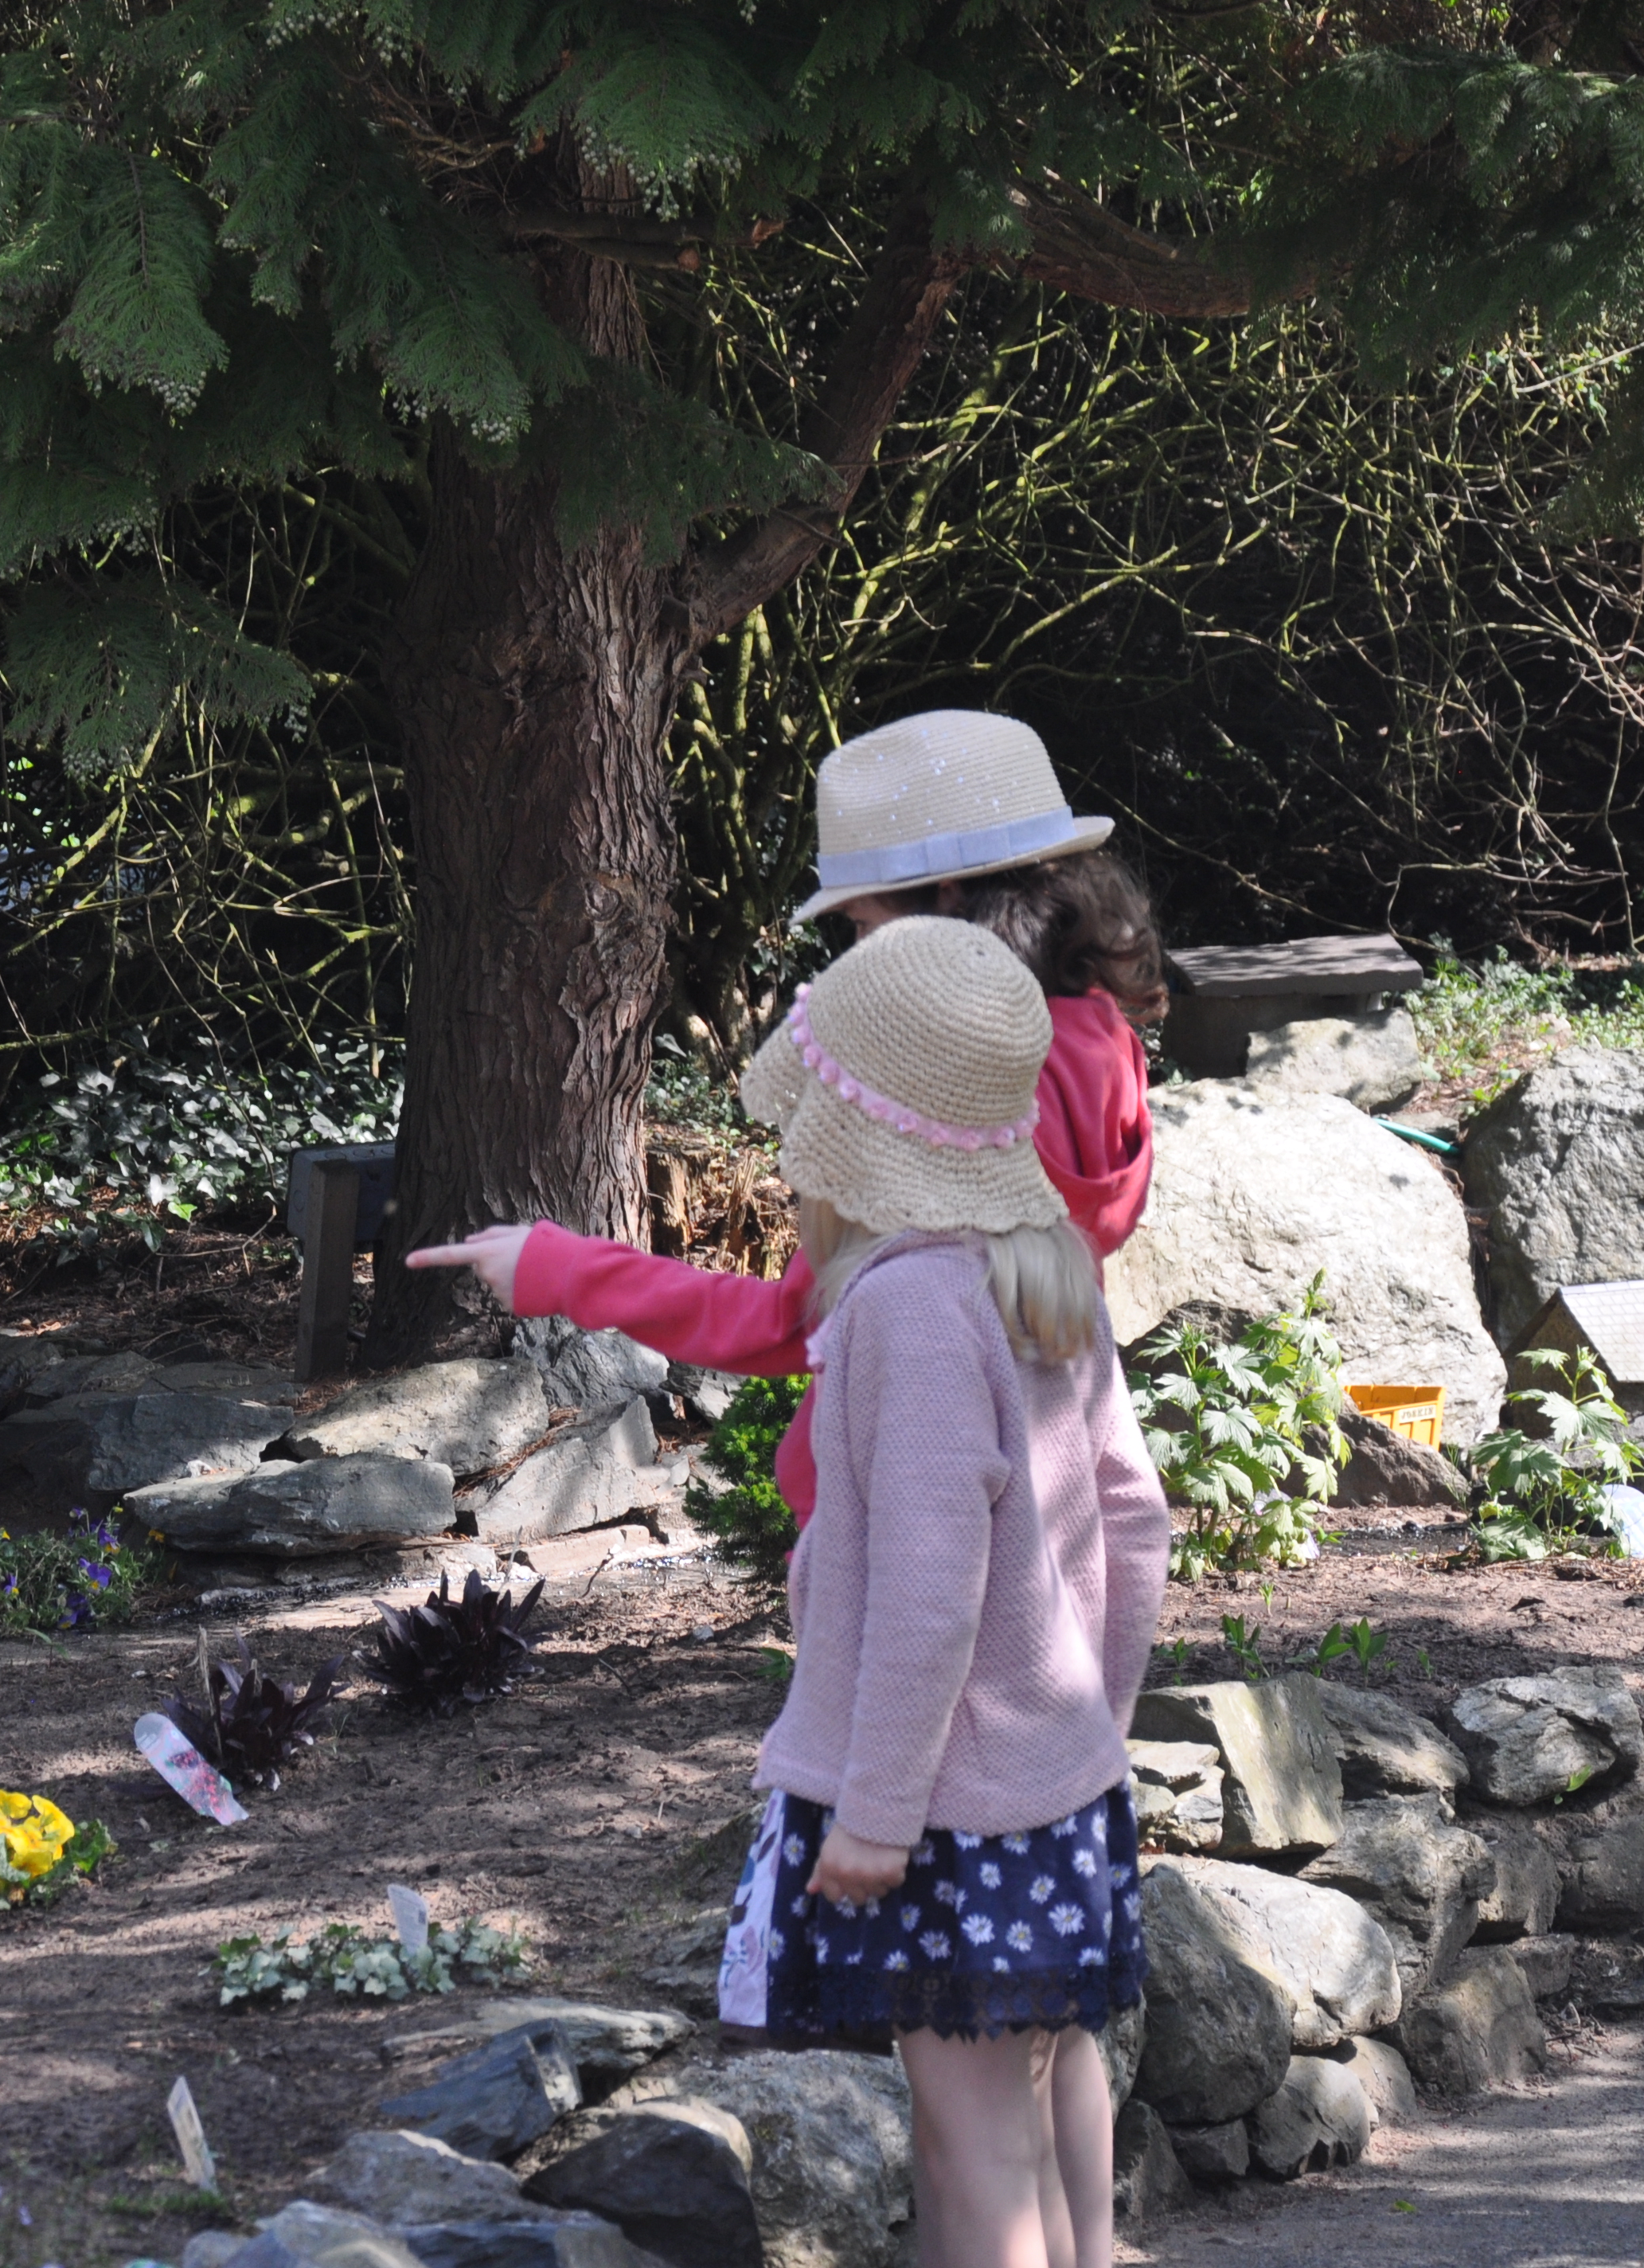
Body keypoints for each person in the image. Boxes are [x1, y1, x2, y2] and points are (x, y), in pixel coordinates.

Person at [420, 918, 1170, 2268]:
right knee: (1021, 2135)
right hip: (1053, 1799)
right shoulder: (1041, 1269)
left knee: (970, 2148)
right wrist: (1085, 1735)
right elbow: (1133, 1513)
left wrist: (877, 1816)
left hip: (943, 1815)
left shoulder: (906, 1308)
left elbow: (928, 1590)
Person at [416, 710, 1162, 1526]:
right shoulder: (1101, 1045)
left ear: (945, 899)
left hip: (910, 1513)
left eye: (865, 924)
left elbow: (790, 1322)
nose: (857, 952)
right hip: (1048, 1498)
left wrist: (562, 1268)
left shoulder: (947, 1090)